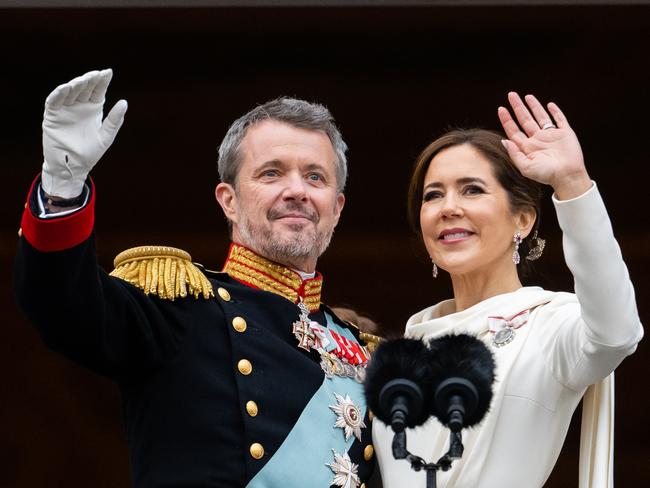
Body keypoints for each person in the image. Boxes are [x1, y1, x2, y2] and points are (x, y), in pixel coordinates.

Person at [14, 69, 379, 488]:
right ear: (229, 201)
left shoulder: (364, 356)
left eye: (315, 177)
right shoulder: (179, 309)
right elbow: (61, 303)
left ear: (336, 207)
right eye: (271, 173)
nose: (296, 190)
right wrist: (62, 187)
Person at [373, 93, 643, 487]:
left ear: (523, 219)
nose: (449, 207)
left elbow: (616, 335)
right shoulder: (401, 348)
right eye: (433, 195)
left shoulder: (550, 328)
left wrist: (572, 184)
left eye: (472, 190)